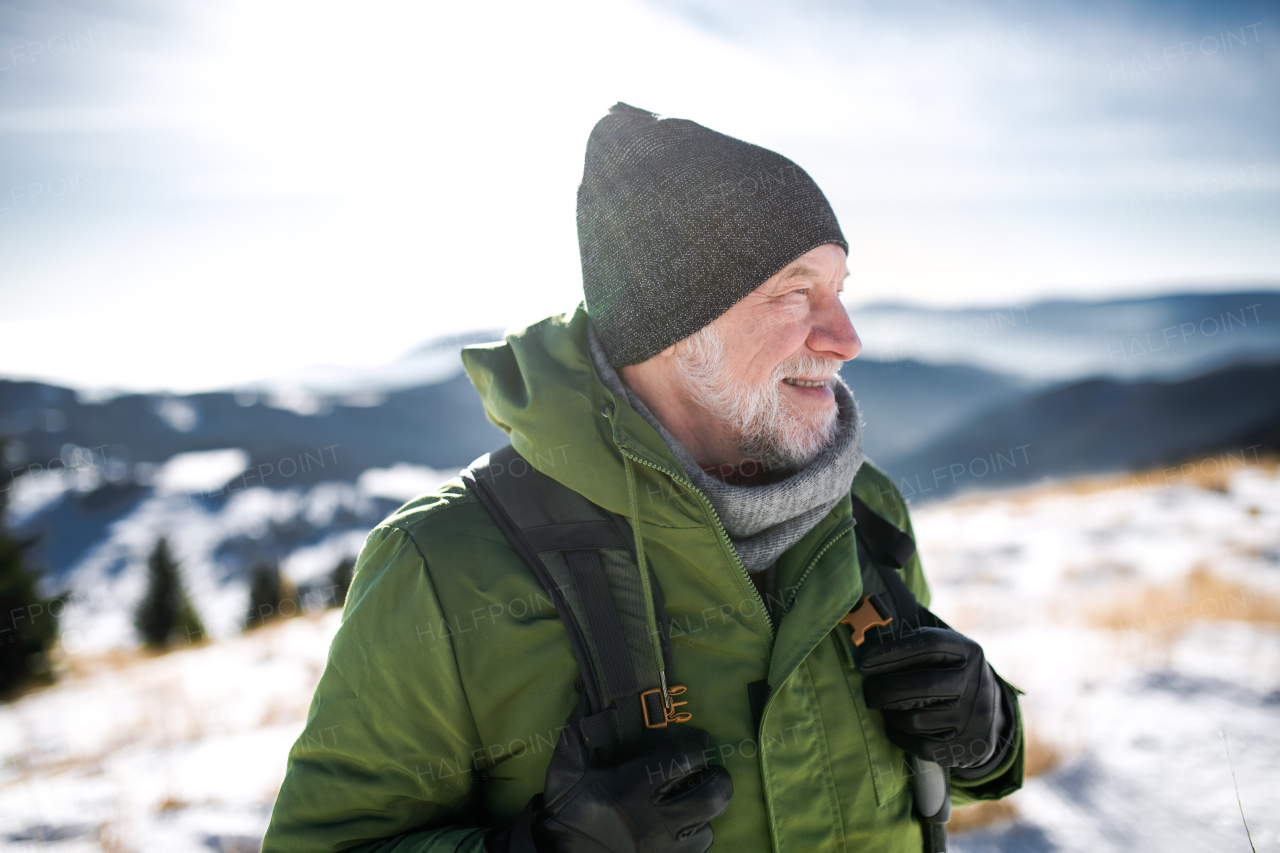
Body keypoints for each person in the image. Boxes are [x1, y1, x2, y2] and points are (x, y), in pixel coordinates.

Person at [262, 103, 1024, 853]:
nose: (847, 338)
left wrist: (988, 735)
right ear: (673, 323)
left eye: (840, 289)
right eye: (796, 292)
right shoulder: (443, 566)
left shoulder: (864, 507)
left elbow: (903, 777)